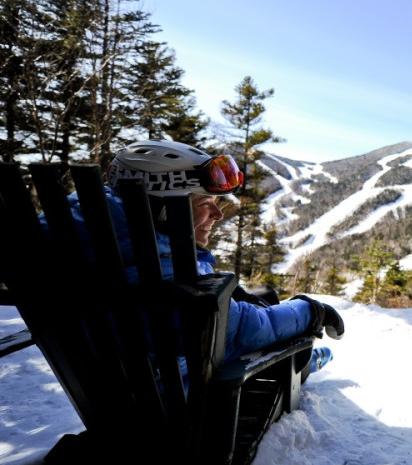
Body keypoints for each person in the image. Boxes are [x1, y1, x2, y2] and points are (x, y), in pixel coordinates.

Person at [67, 139, 343, 377]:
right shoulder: (154, 269)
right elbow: (247, 331)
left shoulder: (98, 233)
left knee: (261, 296)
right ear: (162, 210)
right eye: (204, 203)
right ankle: (303, 364)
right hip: (171, 389)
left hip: (127, 367)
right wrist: (312, 310)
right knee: (269, 320)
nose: (218, 215)